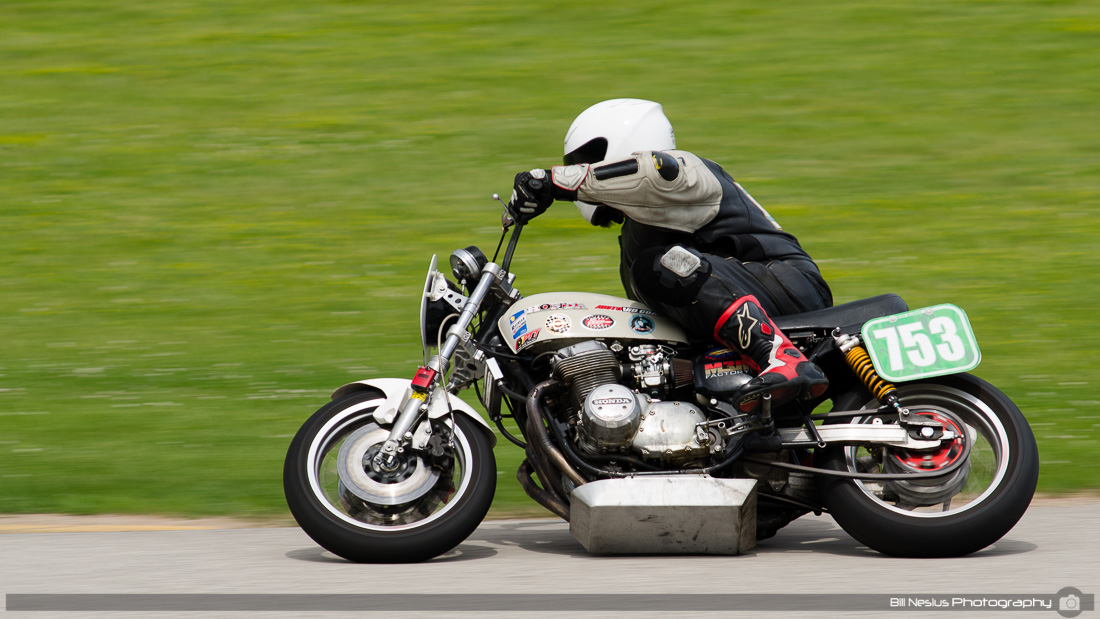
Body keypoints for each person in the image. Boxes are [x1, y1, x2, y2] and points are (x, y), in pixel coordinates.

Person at [508, 98, 833, 413]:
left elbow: (650, 174)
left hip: (788, 284)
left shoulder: (687, 174)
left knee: (660, 266)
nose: (580, 168)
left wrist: (552, 181)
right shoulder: (636, 235)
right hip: (749, 295)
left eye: (585, 159)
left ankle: (780, 357)